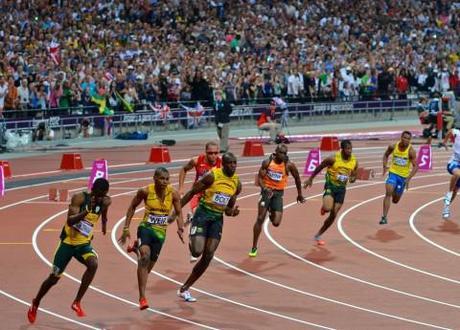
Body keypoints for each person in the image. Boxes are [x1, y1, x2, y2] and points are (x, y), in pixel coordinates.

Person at [27, 178, 111, 324]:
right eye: (98, 194)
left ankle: (77, 302)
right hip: (67, 243)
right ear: (92, 190)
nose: (100, 198)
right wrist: (86, 211)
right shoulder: (79, 198)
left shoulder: (105, 201)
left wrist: (104, 223)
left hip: (83, 244)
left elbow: (103, 212)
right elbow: (70, 221)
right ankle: (36, 302)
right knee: (54, 278)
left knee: (93, 264)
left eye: (103, 195)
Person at [177, 152, 241, 302]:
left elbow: (228, 209)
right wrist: (176, 212)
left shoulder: (237, 183)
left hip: (217, 219)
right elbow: (192, 191)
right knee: (197, 251)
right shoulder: (212, 176)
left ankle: (184, 288)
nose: (233, 166)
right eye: (230, 163)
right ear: (223, 165)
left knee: (208, 255)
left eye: (235, 163)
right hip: (203, 214)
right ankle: (192, 232)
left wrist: (233, 212)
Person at [118, 167, 184, 310]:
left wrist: (180, 227)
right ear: (154, 178)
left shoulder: (173, 193)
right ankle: (142, 297)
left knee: (147, 269)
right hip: (146, 229)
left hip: (160, 234)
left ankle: (136, 248)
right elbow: (132, 207)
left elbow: (178, 212)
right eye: (161, 178)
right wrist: (126, 228)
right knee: (144, 258)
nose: (164, 182)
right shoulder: (145, 191)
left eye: (167, 179)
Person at [249, 144, 305, 257]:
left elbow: (297, 178)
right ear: (276, 152)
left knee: (276, 223)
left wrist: (299, 194)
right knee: (260, 218)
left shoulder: (289, 165)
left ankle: (271, 211)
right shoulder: (267, 162)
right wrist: (264, 188)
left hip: (278, 193)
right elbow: (259, 178)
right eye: (281, 153)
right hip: (267, 192)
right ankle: (254, 247)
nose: (284, 155)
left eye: (285, 153)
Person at [303, 140, 358, 245]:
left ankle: (318, 235)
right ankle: (324, 208)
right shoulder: (333, 158)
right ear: (342, 149)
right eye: (347, 149)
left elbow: (354, 173)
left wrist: (353, 178)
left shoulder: (354, 161)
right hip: (331, 186)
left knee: (334, 214)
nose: (350, 151)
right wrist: (311, 179)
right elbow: (320, 166)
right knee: (328, 208)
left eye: (351, 149)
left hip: (341, 189)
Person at [178, 141, 222, 262]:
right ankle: (193, 243)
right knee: (198, 214)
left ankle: (192, 221)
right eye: (210, 153)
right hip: (197, 194)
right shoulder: (197, 161)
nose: (213, 156)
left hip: (211, 196)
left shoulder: (222, 163)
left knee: (207, 222)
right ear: (205, 152)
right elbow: (183, 169)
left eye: (215, 153)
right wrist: (181, 187)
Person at [380, 131, 418, 224]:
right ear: (401, 137)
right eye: (404, 138)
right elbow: (386, 155)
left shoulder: (411, 151)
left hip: (403, 177)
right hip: (393, 173)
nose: (406, 140)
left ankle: (395, 190)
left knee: (395, 200)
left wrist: (408, 178)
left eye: (408, 139)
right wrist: (384, 166)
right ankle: (384, 217)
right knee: (388, 192)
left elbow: (416, 166)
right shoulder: (393, 146)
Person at [441, 128, 460, 219]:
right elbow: (450, 131)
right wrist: (444, 142)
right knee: (457, 174)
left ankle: (446, 207)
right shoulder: (457, 133)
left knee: (455, 191)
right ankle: (448, 193)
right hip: (454, 163)